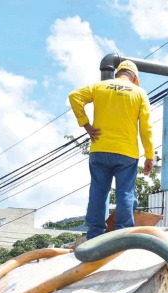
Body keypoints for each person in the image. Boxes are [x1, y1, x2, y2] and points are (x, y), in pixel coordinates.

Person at [68, 60, 155, 239]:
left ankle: (94, 235)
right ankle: (122, 234)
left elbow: (74, 96)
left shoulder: (100, 87)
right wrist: (149, 155)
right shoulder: (139, 93)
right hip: (126, 153)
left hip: (99, 149)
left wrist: (86, 124)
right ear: (134, 78)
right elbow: (146, 128)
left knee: (98, 191)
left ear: (118, 73)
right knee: (125, 192)